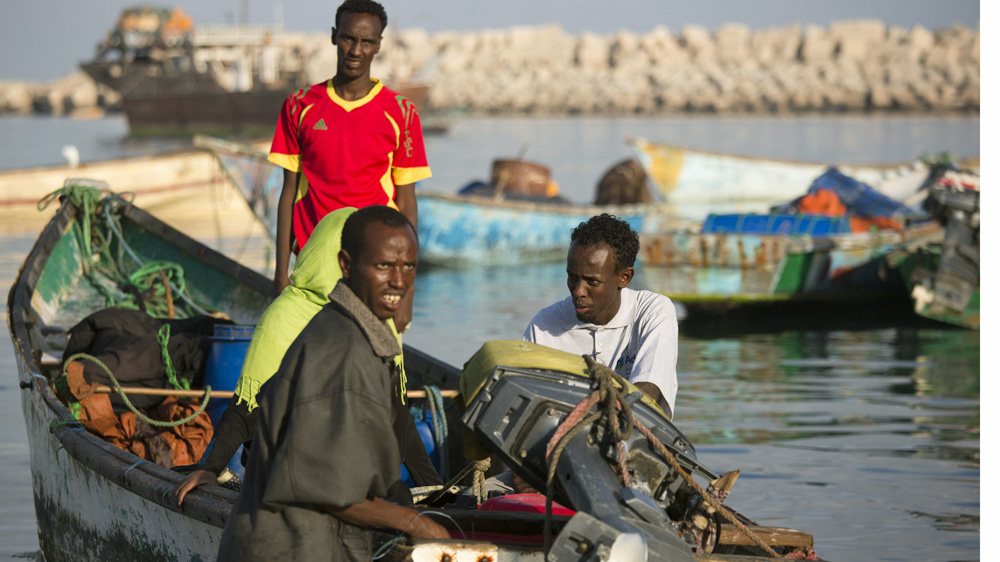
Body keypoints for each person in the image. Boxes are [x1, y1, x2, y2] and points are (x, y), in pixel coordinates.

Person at [216, 205, 450, 561]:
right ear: (345, 264)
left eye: (409, 267)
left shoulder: (353, 331)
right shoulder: (340, 350)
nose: (399, 281)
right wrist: (416, 522)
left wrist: (438, 495)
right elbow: (321, 488)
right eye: (383, 266)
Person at [170, 207, 440, 507]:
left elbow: (399, 416)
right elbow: (246, 408)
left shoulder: (378, 318)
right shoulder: (286, 317)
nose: (396, 280)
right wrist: (210, 466)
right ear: (344, 262)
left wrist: (435, 488)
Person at [268, 0, 430, 332]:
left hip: (376, 269)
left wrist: (407, 294)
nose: (356, 50)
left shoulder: (401, 112)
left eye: (367, 42)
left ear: (379, 46)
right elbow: (287, 196)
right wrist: (280, 274)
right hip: (314, 261)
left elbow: (407, 203)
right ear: (333, 37)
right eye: (348, 38)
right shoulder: (299, 106)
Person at [522, 213, 679, 418]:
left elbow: (648, 391)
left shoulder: (652, 311)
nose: (578, 291)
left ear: (625, 277)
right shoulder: (543, 326)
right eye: (572, 277)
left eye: (592, 282)